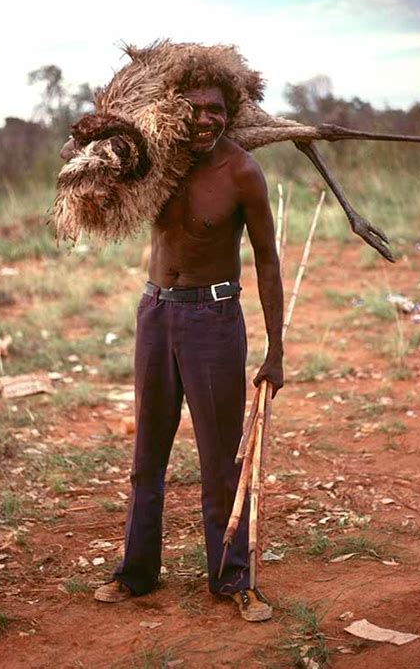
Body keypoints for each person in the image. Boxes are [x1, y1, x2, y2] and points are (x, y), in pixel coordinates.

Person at [61, 76, 284, 622]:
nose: (205, 119)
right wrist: (103, 133)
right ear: (176, 113)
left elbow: (268, 260)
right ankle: (136, 573)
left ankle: (232, 579)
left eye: (216, 110)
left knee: (220, 460)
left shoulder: (241, 172)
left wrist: (276, 350)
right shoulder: (153, 162)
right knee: (147, 454)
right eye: (194, 109)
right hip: (156, 313)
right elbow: (77, 157)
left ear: (230, 114)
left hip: (213, 319)